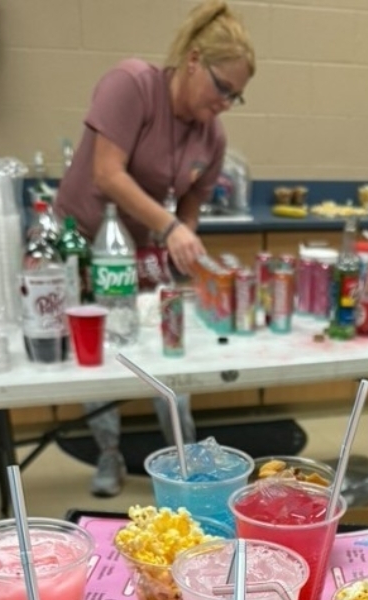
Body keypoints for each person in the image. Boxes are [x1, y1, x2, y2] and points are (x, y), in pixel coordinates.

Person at [55, 0, 255, 497]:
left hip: (142, 246)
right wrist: (170, 229)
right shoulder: (132, 85)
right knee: (99, 356)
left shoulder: (213, 136)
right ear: (192, 60)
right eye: (222, 87)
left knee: (169, 353)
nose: (226, 101)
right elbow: (107, 173)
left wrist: (182, 243)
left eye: (237, 95)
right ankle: (107, 454)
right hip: (83, 244)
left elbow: (190, 205)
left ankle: (187, 462)